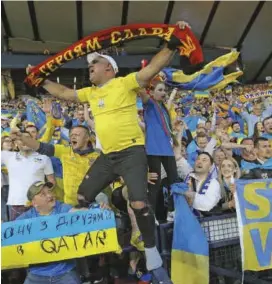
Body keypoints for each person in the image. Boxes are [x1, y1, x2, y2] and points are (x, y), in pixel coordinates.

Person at [25, 21, 191, 282]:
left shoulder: (124, 83)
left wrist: (172, 43)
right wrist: (42, 80)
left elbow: (153, 70)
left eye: (94, 64)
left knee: (138, 201)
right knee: (81, 197)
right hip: (108, 156)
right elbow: (65, 93)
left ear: (108, 69)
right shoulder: (90, 93)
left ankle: (149, 249)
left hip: (132, 153)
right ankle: (88, 245)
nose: (89, 67)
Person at [16, 181, 82, 284]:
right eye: (43, 194)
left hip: (65, 272)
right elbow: (9, 232)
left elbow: (82, 214)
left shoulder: (61, 208)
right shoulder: (26, 218)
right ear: (34, 203)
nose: (50, 195)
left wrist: (99, 210)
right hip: (36, 274)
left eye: (50, 191)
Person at [1, 131, 55, 221]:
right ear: (16, 144)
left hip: (38, 205)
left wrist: (44, 197)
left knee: (41, 234)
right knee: (17, 234)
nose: (24, 141)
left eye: (27, 138)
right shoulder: (8, 156)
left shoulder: (44, 158)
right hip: (16, 205)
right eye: (20, 139)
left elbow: (51, 181)